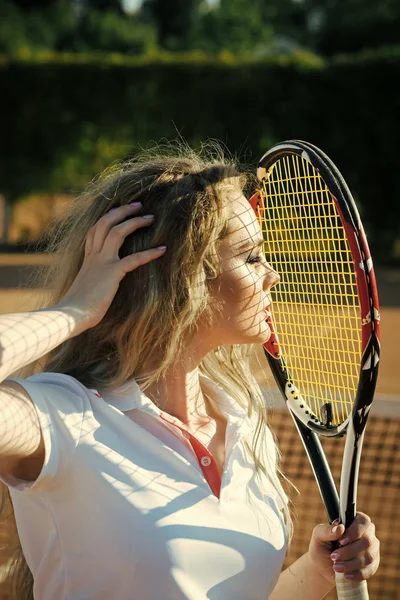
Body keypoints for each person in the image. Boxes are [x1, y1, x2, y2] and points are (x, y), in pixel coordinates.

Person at [0, 143, 379, 599]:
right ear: (186, 276)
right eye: (252, 256)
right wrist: (77, 309)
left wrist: (317, 571)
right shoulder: (62, 417)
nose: (272, 275)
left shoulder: (242, 420)